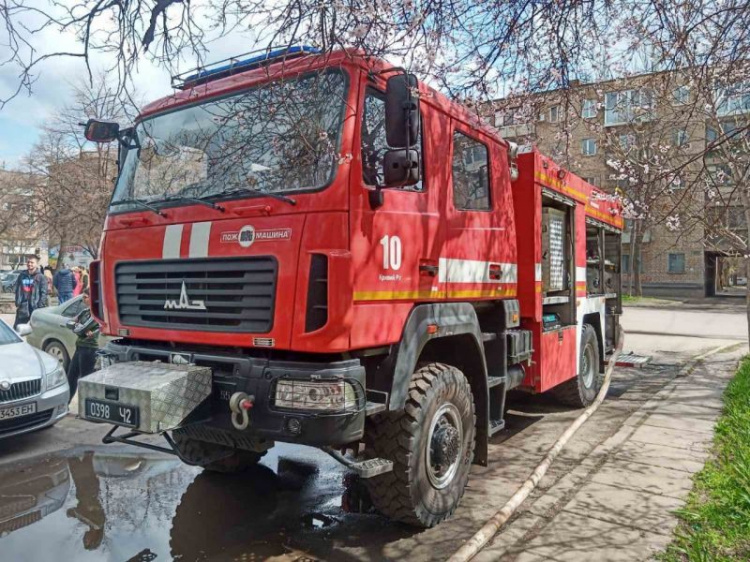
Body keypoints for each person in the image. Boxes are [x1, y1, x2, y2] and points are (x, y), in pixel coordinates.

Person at [66, 288, 100, 403]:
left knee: (85, 380)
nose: (84, 299)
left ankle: (86, 407)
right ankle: (66, 404)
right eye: (83, 297)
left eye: (86, 297)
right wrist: (79, 327)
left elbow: (80, 329)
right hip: (80, 347)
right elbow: (69, 323)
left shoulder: (96, 313)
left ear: (93, 298)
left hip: (89, 349)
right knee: (71, 376)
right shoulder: (85, 311)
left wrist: (79, 327)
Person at [14, 256, 48, 329]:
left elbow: (44, 293)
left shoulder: (41, 277)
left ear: (36, 264)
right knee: (17, 329)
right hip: (23, 307)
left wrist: (39, 306)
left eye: (32, 262)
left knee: (36, 330)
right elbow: (17, 289)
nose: (29, 264)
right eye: (28, 262)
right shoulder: (22, 276)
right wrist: (17, 302)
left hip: (35, 307)